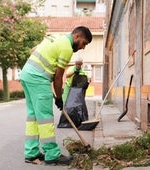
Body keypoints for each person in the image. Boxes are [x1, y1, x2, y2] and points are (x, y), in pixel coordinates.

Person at [20, 26, 92, 166]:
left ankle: (31, 152)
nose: (83, 47)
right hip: (37, 79)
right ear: (77, 36)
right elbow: (58, 77)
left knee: (33, 116)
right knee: (45, 117)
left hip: (26, 75)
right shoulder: (66, 48)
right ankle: (52, 154)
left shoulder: (56, 37)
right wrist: (59, 98)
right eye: (84, 43)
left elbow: (32, 50)